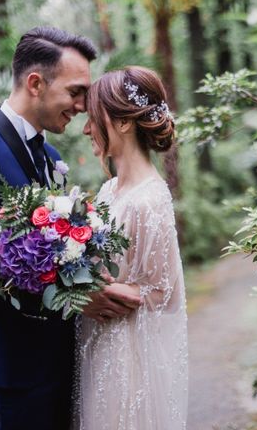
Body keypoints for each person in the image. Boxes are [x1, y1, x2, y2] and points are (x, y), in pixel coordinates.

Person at [0, 27, 140, 430]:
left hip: (57, 359)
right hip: (9, 370)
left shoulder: (50, 155)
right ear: (35, 83)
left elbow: (56, 250)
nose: (84, 105)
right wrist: (74, 298)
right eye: (76, 92)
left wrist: (89, 277)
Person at [74, 66, 188, 429]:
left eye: (94, 118)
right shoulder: (109, 192)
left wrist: (87, 290)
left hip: (129, 357)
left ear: (123, 123)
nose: (86, 128)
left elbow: (162, 293)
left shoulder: (150, 199)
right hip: (99, 343)